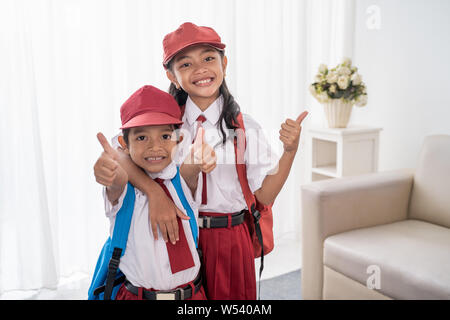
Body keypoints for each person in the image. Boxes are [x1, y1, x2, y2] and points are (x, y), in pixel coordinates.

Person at [93, 85, 208, 300]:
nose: (155, 147)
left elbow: (193, 166)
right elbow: (116, 182)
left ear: (178, 140)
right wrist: (109, 173)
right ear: (123, 144)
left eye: (165, 136)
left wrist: (202, 157)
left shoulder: (182, 180)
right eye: (142, 138)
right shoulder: (125, 189)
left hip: (193, 295)